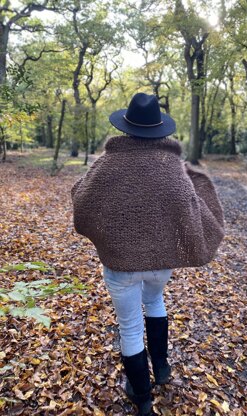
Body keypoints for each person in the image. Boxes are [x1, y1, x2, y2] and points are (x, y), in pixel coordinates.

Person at [71, 93, 224, 416]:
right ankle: (162, 367)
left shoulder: (108, 163)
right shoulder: (171, 167)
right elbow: (188, 202)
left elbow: (81, 199)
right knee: (154, 302)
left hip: (120, 265)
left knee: (129, 327)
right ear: (158, 130)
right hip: (160, 263)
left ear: (127, 127)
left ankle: (141, 397)